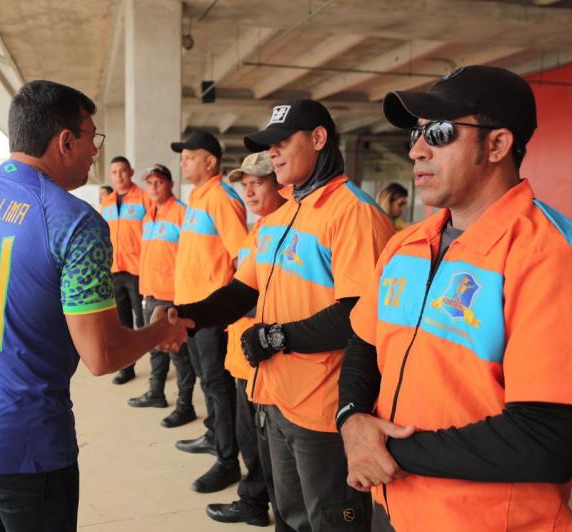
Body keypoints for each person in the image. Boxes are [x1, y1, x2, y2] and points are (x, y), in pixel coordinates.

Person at [0, 79, 190, 532]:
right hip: (25, 450)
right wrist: (161, 331)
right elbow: (101, 355)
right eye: (92, 137)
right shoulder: (76, 224)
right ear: (65, 140)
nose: (95, 151)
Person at [338, 65, 572, 531]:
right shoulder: (406, 244)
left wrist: (381, 447)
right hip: (393, 506)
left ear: (497, 145)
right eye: (416, 135)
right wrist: (351, 419)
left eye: (439, 133)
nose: (417, 150)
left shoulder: (548, 254)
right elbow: (365, 342)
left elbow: (549, 438)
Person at [174, 101, 395, 530]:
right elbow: (242, 290)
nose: (273, 153)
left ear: (318, 139)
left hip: (324, 410)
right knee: (290, 517)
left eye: (281, 143)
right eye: (268, 146)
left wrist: (274, 337)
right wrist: (183, 317)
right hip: (275, 398)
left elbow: (359, 317)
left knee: (334, 519)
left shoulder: (354, 213)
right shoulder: (281, 216)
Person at [205, 152, 292, 528]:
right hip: (243, 355)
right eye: (246, 183)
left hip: (266, 361)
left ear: (281, 184)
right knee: (250, 441)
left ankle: (263, 504)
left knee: (270, 452)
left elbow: (281, 299)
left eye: (259, 182)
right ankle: (253, 501)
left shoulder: (286, 231)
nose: (250, 191)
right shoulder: (258, 230)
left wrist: (236, 308)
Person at [171, 129, 248, 493]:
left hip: (213, 311)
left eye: (189, 156)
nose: (183, 162)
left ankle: (227, 460)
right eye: (182, 157)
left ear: (210, 161)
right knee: (207, 380)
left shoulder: (220, 197)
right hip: (193, 309)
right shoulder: (196, 199)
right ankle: (213, 433)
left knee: (218, 385)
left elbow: (241, 255)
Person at [127, 163, 198, 429]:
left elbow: (189, 257)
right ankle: (156, 393)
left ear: (170, 184)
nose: (153, 187)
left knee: (179, 354)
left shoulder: (181, 213)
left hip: (173, 296)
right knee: (154, 348)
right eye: (150, 183)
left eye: (158, 182)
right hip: (152, 292)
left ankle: (185, 406)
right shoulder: (149, 215)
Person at [100, 156, 152, 385]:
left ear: (130, 172)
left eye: (122, 171)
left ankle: (156, 372)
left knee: (143, 322)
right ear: (110, 176)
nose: (119, 175)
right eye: (114, 172)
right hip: (115, 270)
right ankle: (127, 368)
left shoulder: (144, 198)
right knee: (122, 324)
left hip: (137, 270)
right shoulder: (107, 203)